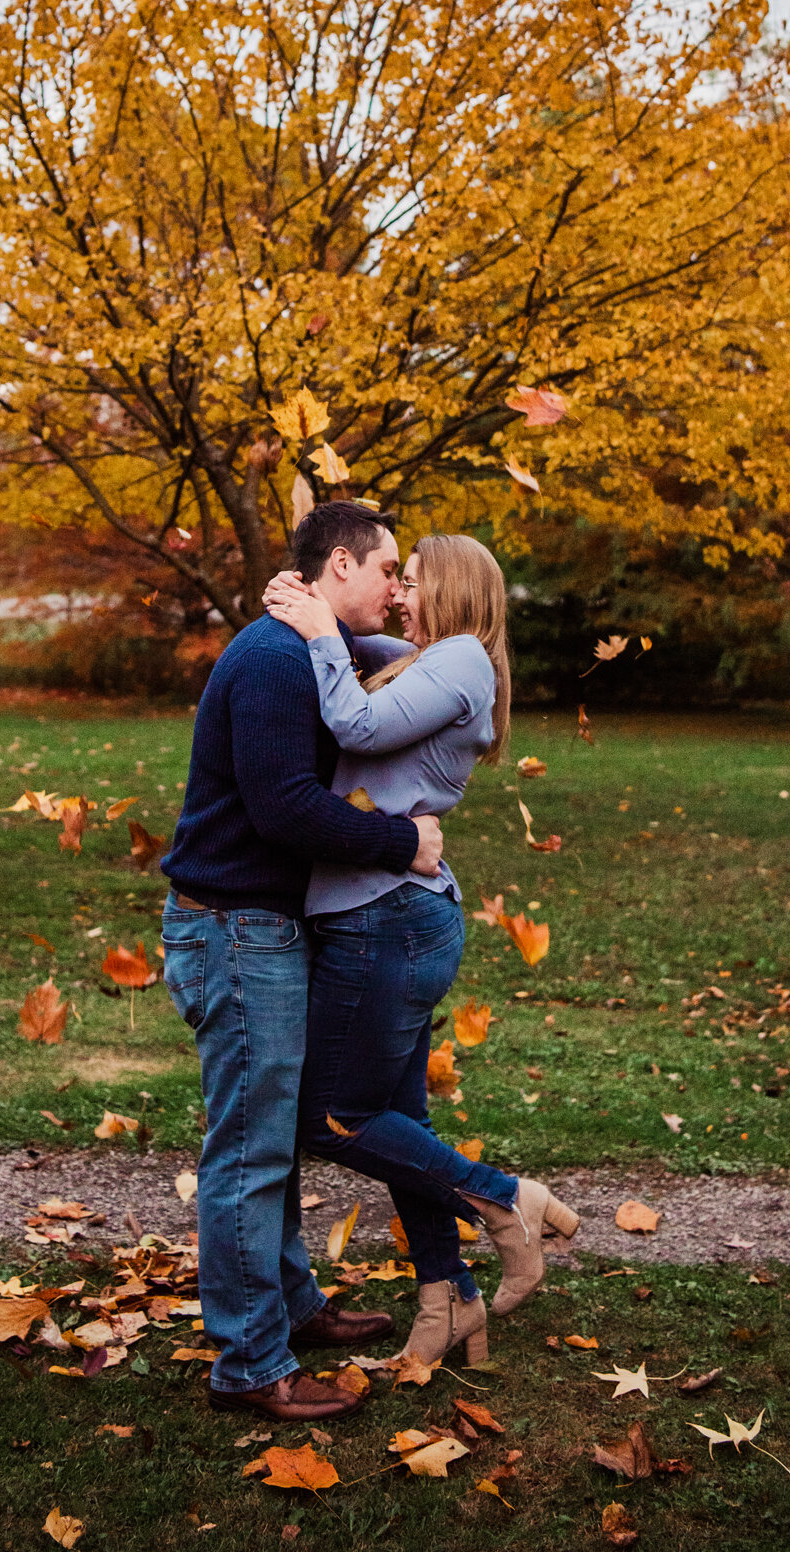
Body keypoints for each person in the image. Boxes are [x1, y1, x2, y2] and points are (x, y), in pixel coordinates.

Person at [159, 501, 446, 1423]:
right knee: (249, 1152)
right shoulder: (277, 659)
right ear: (339, 566)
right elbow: (283, 808)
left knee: (271, 1138)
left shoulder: (299, 644)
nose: (397, 587)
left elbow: (385, 672)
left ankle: (290, 1311)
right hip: (234, 931)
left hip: (256, 928)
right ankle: (248, 1366)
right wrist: (402, 842)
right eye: (388, 570)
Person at [263, 533, 579, 1369]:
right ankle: (449, 1301)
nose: (399, 592)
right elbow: (361, 646)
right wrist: (307, 606)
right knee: (399, 1121)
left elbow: (354, 722)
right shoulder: (431, 658)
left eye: (413, 581)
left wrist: (323, 635)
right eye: (393, 579)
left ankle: (509, 1201)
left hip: (387, 921)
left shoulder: (464, 663)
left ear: (454, 590)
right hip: (385, 913)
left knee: (332, 1117)